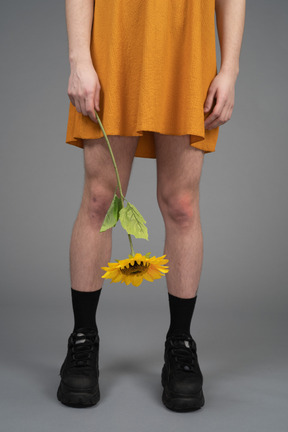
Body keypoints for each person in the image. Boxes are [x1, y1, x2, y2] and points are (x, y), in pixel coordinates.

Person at [57, 0, 245, 412]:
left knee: (182, 205)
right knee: (99, 200)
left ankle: (180, 344)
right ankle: (83, 339)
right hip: (113, 41)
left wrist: (229, 69)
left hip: (185, 44)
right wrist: (78, 57)